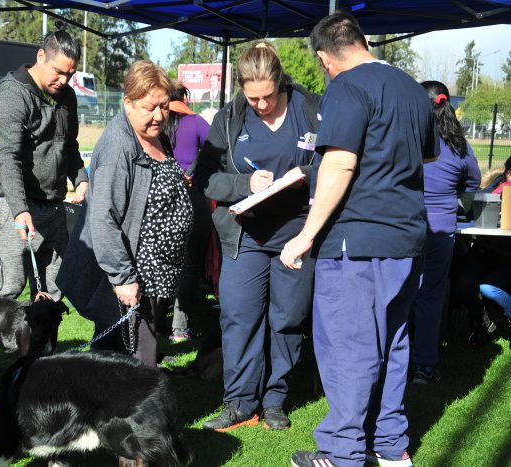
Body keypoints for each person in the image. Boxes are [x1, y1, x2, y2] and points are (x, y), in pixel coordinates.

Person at [281, 12, 437, 467]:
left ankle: (341, 452)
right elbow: (423, 156)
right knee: (392, 343)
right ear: (363, 41)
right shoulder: (411, 87)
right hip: (406, 238)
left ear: (325, 58)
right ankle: (391, 446)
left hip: (357, 240)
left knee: (349, 347)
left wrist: (306, 235)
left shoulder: (347, 85)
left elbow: (342, 163)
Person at [195, 41, 321, 432]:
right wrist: (243, 182)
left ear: (280, 82)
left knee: (286, 318)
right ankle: (239, 402)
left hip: (297, 234)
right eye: (253, 98)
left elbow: (337, 165)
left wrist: (305, 176)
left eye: (268, 96)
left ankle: (275, 400)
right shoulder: (229, 118)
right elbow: (205, 179)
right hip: (244, 236)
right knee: (239, 317)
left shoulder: (312, 110)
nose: (262, 104)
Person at [57, 61, 193, 367]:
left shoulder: (155, 134)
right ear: (127, 103)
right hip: (131, 275)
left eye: (164, 106)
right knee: (135, 363)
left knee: (123, 361)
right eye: (149, 108)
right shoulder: (120, 146)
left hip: (155, 274)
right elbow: (103, 216)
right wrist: (123, 278)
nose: (159, 115)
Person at [0, 29, 88, 304]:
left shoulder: (68, 97)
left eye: (71, 74)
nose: (64, 80)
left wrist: (81, 178)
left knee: (53, 290)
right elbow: (7, 157)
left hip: (53, 206)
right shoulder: (12, 94)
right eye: (58, 71)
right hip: (15, 205)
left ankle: (39, 348)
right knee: (6, 289)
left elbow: (70, 144)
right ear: (41, 56)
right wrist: (20, 210)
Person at [409, 81, 481, 384]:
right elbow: (473, 182)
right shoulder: (459, 144)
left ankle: (392, 364)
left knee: (400, 294)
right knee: (430, 297)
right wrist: (455, 205)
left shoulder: (410, 138)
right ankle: (424, 367)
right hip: (442, 229)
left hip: (407, 225)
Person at [164, 84, 211, 342]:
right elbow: (219, 148)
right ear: (183, 98)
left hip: (161, 200)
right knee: (189, 265)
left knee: (163, 261)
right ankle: (180, 328)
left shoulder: (155, 120)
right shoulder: (195, 122)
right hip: (192, 198)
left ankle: (156, 322)